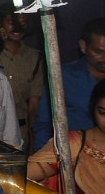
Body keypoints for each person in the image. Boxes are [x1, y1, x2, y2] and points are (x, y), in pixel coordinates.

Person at [32, 18, 105, 152]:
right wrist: (43, 158)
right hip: (75, 159)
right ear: (83, 47)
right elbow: (44, 124)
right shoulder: (63, 77)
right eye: (98, 52)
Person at [0, 4, 46, 151]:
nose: (17, 28)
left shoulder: (34, 58)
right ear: (0, 23)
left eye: (22, 23)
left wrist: (32, 145)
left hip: (20, 132)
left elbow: (34, 107)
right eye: (12, 23)